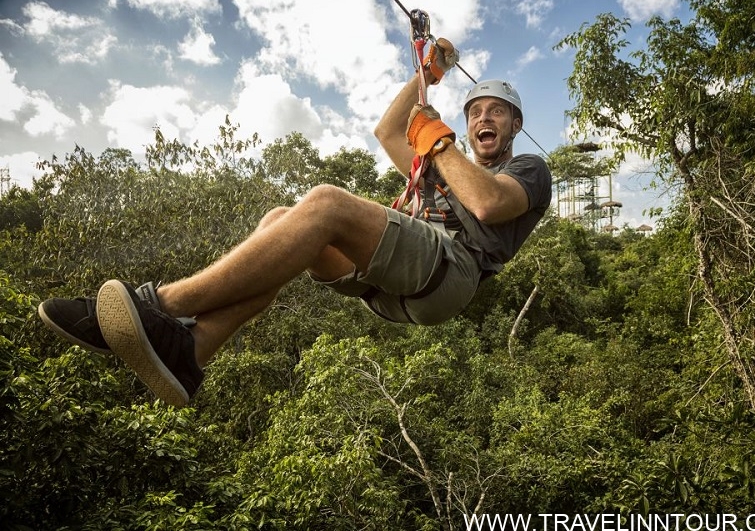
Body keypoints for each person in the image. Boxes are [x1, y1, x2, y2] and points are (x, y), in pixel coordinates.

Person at [38, 38, 552, 407]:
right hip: (394, 281)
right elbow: (388, 131)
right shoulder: (442, 164)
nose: (483, 119)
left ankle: (158, 305)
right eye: (475, 111)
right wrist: (427, 74)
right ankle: (193, 349)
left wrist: (435, 141)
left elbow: (486, 203)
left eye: (496, 113)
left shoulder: (528, 169)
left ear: (515, 125)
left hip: (448, 274)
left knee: (327, 203)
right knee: (281, 220)